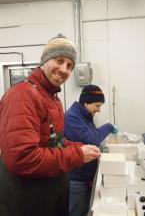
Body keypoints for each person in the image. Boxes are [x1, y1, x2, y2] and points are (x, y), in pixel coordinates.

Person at [0, 34, 101, 216]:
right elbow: (22, 159)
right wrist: (77, 155)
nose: (64, 70)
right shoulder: (22, 95)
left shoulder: (53, 98)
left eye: (69, 66)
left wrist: (80, 147)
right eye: (59, 60)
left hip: (49, 197)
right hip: (28, 202)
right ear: (45, 61)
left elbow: (55, 142)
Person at [64, 84, 118, 216]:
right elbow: (91, 138)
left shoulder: (85, 116)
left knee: (83, 210)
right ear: (86, 102)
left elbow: (88, 140)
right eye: (97, 106)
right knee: (76, 211)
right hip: (76, 179)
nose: (99, 110)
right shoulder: (72, 117)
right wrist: (109, 126)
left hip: (85, 176)